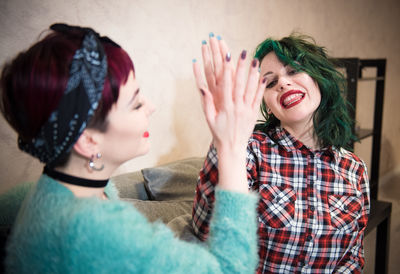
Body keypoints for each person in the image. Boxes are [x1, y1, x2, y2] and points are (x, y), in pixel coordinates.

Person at [0, 23, 267, 273]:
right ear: (88, 140)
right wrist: (232, 145)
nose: (151, 107)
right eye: (136, 104)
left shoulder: (54, 191)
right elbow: (230, 269)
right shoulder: (93, 230)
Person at [192, 34, 370, 273]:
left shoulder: (355, 168)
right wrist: (223, 140)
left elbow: (353, 255)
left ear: (320, 77)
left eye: (294, 71)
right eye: (270, 82)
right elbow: (205, 231)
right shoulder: (250, 150)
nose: (283, 84)